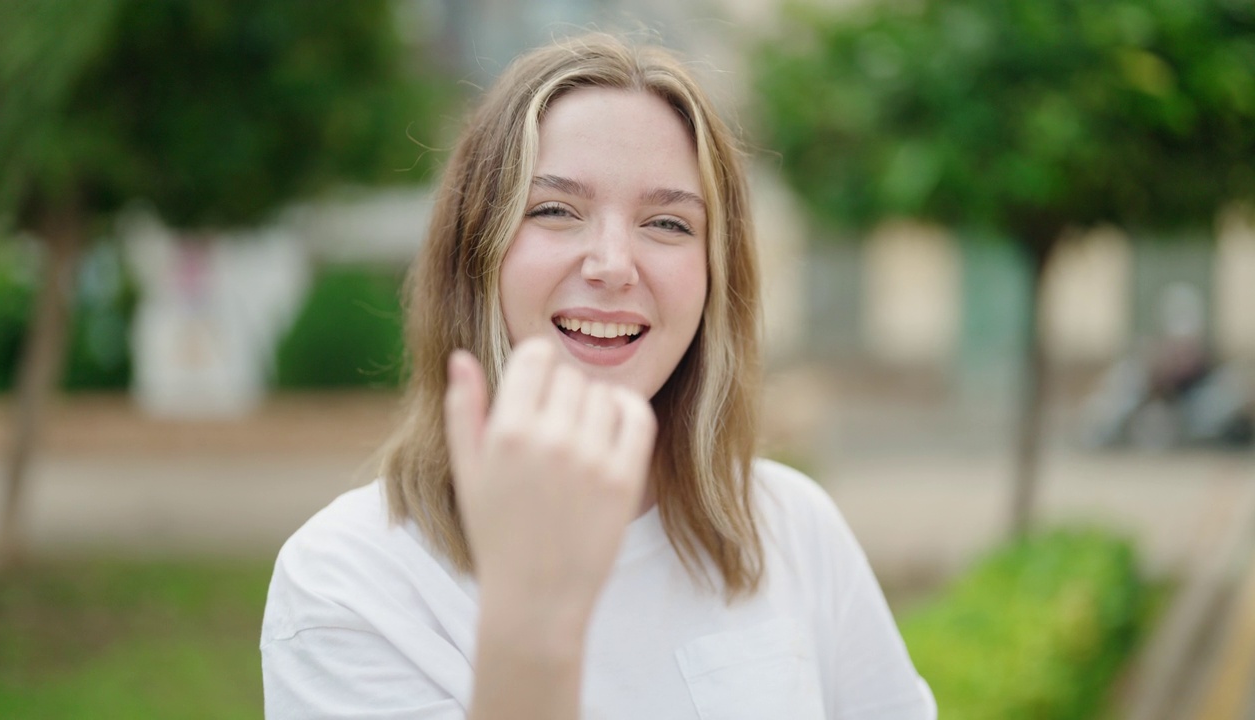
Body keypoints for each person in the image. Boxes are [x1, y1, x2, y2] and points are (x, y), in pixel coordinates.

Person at [261, 33, 936, 719]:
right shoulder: (346, 584)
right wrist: (529, 618)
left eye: (668, 223)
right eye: (554, 210)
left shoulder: (791, 528)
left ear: (715, 277)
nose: (613, 263)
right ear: (475, 254)